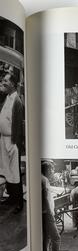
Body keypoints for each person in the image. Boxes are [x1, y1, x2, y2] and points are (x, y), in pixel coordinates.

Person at [0, 73, 24, 214]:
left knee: (15, 172)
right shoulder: (7, 98)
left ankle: (19, 202)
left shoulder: (17, 101)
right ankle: (12, 198)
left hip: (12, 141)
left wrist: (15, 144)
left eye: (5, 81)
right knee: (7, 171)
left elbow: (18, 126)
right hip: (4, 139)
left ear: (13, 84)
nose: (3, 82)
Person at [41, 160, 61, 251]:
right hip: (47, 214)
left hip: (43, 213)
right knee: (56, 238)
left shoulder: (41, 178)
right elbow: (45, 198)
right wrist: (50, 213)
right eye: (52, 169)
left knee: (46, 237)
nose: (53, 171)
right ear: (48, 169)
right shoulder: (44, 180)